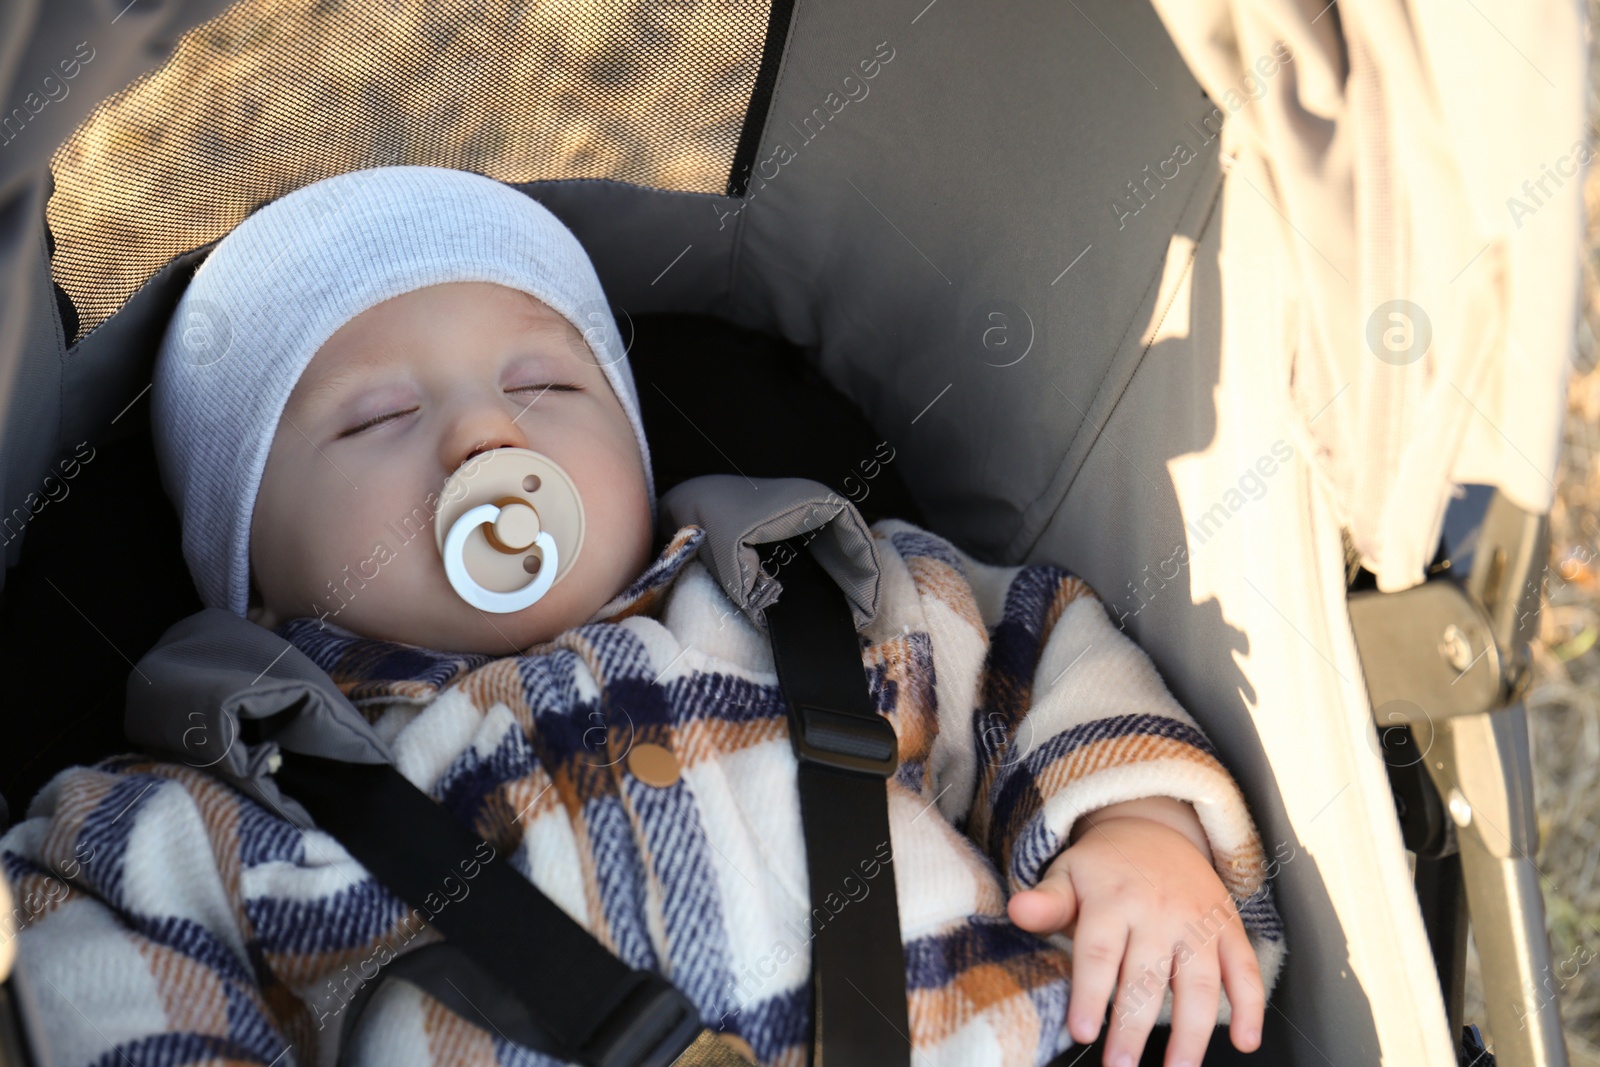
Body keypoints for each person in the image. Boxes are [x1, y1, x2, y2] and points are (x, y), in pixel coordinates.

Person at [0, 166, 1283, 1067]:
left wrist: (1137, 828)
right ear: (253, 568)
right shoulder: (221, 806)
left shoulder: (825, 599)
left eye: (548, 384)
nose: (487, 433)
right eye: (377, 419)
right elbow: (88, 967)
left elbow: (1038, 652)